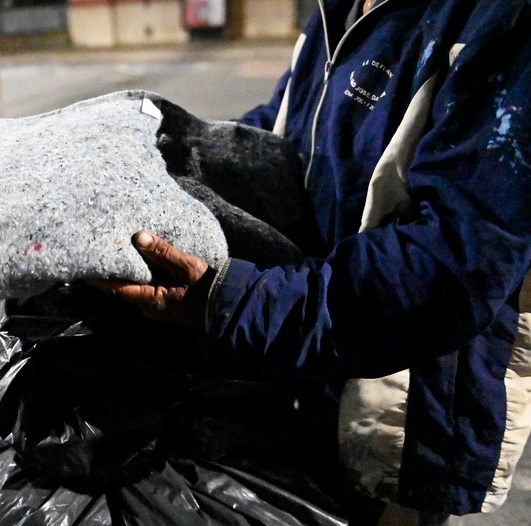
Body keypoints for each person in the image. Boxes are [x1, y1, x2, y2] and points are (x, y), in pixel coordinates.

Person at [92, 0, 531, 523]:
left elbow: (450, 265)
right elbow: (283, 136)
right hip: (301, 356)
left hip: (402, 406)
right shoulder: (339, 10)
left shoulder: (504, 23)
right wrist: (174, 156)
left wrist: (236, 301)